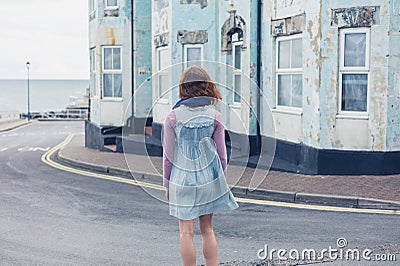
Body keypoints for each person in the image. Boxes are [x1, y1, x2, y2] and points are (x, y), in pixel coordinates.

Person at [162, 65, 239, 266]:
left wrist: (167, 184)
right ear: (207, 86)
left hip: (181, 179)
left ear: (183, 88)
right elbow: (222, 156)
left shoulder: (172, 117)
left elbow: (168, 157)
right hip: (208, 179)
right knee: (208, 230)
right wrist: (219, 181)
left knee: (186, 232)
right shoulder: (215, 116)